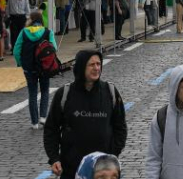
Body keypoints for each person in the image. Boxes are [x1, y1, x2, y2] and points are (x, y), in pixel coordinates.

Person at [44, 50, 127, 179]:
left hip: (102, 170)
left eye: (99, 64)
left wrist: (112, 154)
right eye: (92, 65)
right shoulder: (65, 94)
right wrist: (54, 158)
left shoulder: (110, 92)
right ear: (81, 66)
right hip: (71, 168)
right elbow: (51, 129)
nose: (96, 68)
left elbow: (120, 126)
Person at [14, 11, 56, 129]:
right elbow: (54, 48)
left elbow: (16, 51)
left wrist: (21, 63)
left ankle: (34, 123)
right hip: (44, 67)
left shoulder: (23, 32)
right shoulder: (48, 32)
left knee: (32, 94)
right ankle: (43, 117)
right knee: (45, 91)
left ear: (31, 20)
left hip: (29, 68)